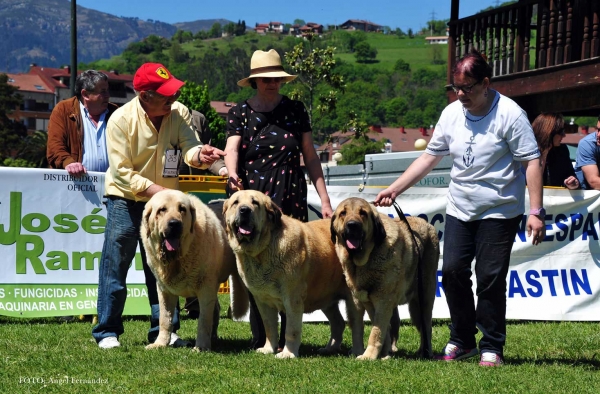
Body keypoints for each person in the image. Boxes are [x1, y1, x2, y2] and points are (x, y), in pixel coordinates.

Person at [374, 49, 545, 367]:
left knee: (490, 277)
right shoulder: (451, 114)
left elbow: (531, 161)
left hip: (499, 209)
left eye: (467, 87)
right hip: (460, 209)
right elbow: (429, 157)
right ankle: (463, 339)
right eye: (456, 88)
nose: (461, 94)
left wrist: (536, 211)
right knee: (452, 272)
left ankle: (492, 344)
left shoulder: (510, 114)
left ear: (486, 83)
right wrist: (394, 188)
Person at [91, 63, 225, 349]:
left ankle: (165, 332)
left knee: (166, 267)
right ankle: (107, 332)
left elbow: (188, 147)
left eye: (173, 92)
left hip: (166, 204)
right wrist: (158, 193)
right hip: (125, 200)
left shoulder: (180, 113)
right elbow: (122, 171)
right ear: (143, 95)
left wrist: (201, 154)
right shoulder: (120, 120)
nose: (172, 99)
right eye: (165, 94)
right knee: (116, 265)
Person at [224, 49, 333, 350]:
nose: (272, 83)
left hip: (290, 194)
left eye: (276, 78)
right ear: (255, 81)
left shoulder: (296, 109)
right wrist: (233, 178)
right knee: (255, 266)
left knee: (288, 269)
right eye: (265, 79)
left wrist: (324, 200)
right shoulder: (239, 112)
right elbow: (232, 149)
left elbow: (310, 157)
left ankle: (289, 340)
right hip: (252, 195)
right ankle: (264, 338)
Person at [47, 70, 118, 176]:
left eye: (107, 90)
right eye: (103, 91)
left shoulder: (115, 112)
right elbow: (54, 147)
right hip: (74, 185)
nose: (108, 95)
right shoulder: (63, 110)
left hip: (111, 186)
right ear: (85, 94)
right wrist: (69, 163)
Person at [531, 113, 579, 189]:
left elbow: (570, 175)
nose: (564, 135)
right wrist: (544, 154)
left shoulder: (562, 150)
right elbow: (531, 181)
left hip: (556, 198)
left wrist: (573, 183)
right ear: (549, 132)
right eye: (561, 132)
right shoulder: (527, 151)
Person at [179, 108, 228, 177]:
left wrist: (222, 169)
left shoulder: (198, 118)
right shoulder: (160, 117)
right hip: (163, 183)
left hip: (191, 184)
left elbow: (208, 155)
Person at [574, 115, 600, 190]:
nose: (598, 135)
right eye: (598, 130)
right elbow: (594, 182)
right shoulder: (587, 144)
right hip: (588, 197)